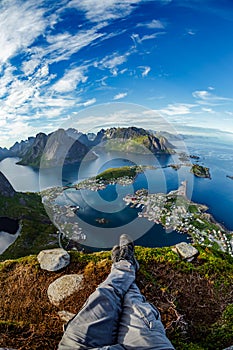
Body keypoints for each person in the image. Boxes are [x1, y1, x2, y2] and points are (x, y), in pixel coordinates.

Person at [58, 234, 175, 350]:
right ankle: (125, 264)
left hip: (80, 347)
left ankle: (124, 266)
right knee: (134, 303)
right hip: (143, 347)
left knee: (103, 295)